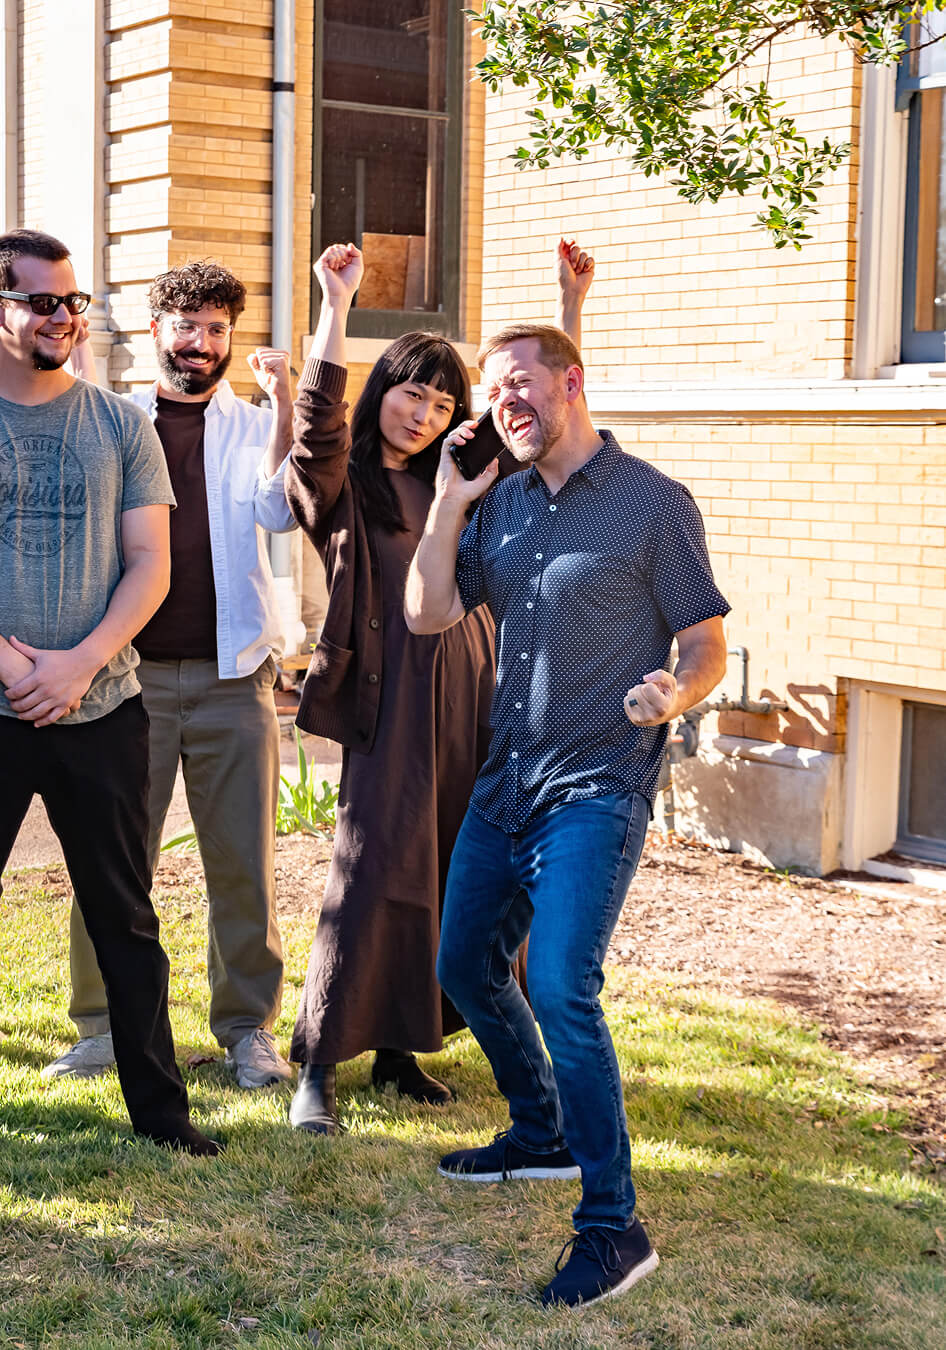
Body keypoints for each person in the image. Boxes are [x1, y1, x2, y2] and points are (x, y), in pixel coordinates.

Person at [404, 322, 730, 1307]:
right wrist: (449, 507)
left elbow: (704, 641)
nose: (503, 402)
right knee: (461, 965)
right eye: (491, 391)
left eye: (519, 384)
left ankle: (612, 1228)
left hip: (597, 786)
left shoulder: (653, 506)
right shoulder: (496, 505)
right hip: (504, 785)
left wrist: (675, 693)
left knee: (559, 987)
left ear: (569, 383)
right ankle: (538, 1131)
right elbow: (426, 615)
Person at [284, 240, 593, 1135]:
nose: (422, 413)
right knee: (374, 869)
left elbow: (548, 419)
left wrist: (567, 310)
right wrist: (335, 308)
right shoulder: (342, 487)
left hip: (476, 697)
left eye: (442, 399)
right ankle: (318, 1066)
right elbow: (313, 427)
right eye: (410, 391)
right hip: (389, 706)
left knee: (455, 868)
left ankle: (401, 1050)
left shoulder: (463, 480)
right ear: (381, 389)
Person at [49, 260, 296, 1090]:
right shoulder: (110, 420)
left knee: (243, 867)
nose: (202, 344)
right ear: (157, 330)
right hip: (124, 681)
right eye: (187, 327)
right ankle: (100, 1030)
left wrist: (288, 406)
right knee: (111, 863)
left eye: (217, 329)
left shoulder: (251, 422)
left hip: (235, 681)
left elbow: (279, 510)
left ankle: (247, 1030)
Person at [0, 228, 219, 1154]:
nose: (62, 316)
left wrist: (80, 663)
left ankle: (161, 1116)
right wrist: (16, 669)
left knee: (125, 914)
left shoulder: (122, 426)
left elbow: (148, 565)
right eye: (41, 300)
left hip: (104, 708)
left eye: (72, 301)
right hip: (0, 706)